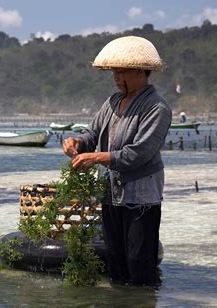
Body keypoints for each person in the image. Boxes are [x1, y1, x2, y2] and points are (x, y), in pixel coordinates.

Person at [62, 36, 172, 286]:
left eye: (120, 72)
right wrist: (76, 143)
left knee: (139, 264)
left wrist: (98, 157)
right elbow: (92, 134)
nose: (115, 78)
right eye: (113, 72)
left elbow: (140, 153)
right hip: (111, 193)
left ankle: (144, 302)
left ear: (138, 72)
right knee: (116, 263)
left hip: (141, 197)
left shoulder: (157, 108)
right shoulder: (113, 102)